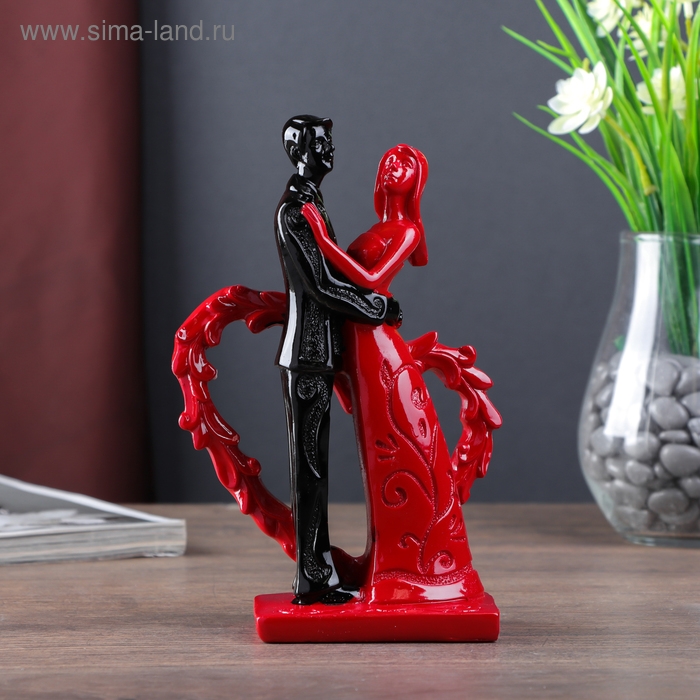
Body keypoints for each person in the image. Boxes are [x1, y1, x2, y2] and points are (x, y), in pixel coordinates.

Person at [301, 144, 486, 603]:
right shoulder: (377, 227)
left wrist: (321, 243)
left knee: (391, 444)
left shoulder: (406, 231)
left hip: (376, 344)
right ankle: (380, 559)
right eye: (388, 162)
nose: (393, 168)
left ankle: (410, 568)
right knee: (375, 442)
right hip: (355, 337)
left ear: (416, 180)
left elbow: (369, 281)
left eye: (404, 165)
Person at [274, 116, 401, 605]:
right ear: (299, 151)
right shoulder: (295, 211)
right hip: (307, 355)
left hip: (319, 352)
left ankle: (319, 572)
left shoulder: (311, 203)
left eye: (330, 142)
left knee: (316, 468)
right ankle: (312, 579)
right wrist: (377, 307)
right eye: (321, 143)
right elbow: (322, 286)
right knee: (309, 471)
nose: (330, 150)